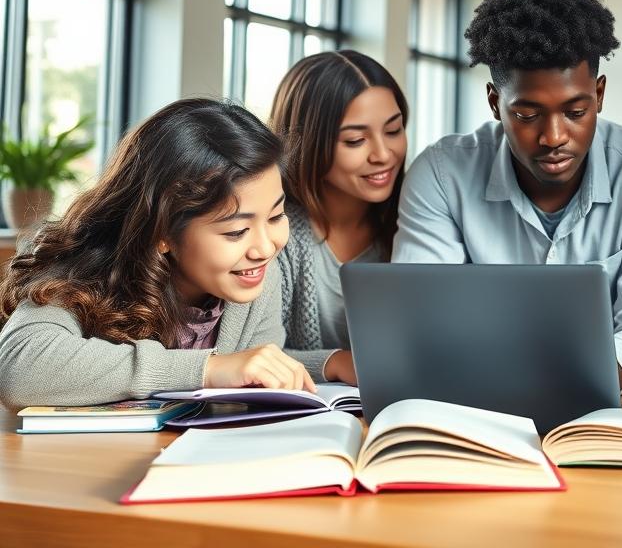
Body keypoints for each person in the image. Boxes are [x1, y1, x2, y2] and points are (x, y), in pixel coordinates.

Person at [393, 0, 622, 393]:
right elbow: (423, 321)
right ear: (495, 102)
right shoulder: (441, 174)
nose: (553, 137)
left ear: (599, 94)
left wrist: (569, 380)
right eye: (527, 115)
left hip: (601, 408)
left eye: (575, 112)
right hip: (472, 401)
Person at [0, 99, 314, 408]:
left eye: (275, 217)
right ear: (163, 232)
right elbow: (17, 370)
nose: (265, 248)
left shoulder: (255, 276)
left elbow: (257, 364)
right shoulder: (83, 268)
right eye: (235, 232)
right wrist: (207, 369)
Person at [269, 50, 409, 386]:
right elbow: (251, 353)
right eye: (355, 140)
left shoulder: (419, 221)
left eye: (393, 130)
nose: (382, 154)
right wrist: (335, 363)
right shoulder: (274, 232)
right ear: (307, 143)